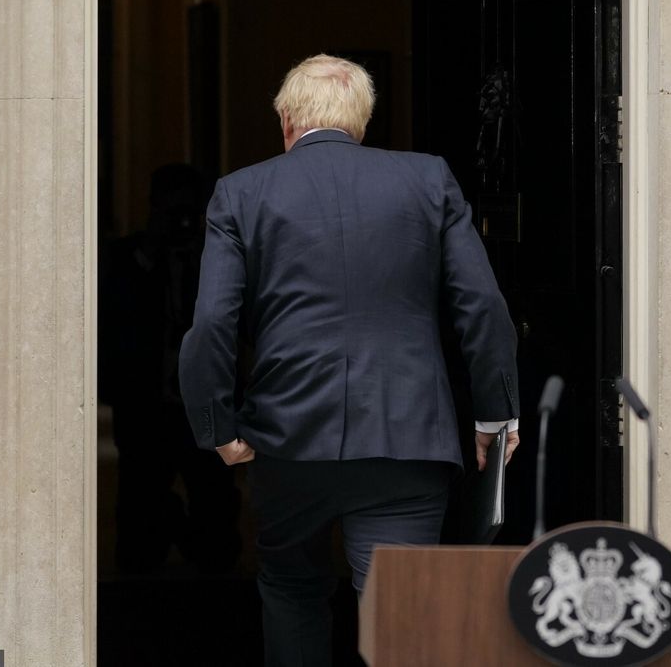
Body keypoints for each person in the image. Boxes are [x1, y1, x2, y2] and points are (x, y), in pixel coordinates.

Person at [179, 54, 520, 667]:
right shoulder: (428, 179)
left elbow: (211, 323)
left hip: (284, 442)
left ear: (286, 119)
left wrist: (219, 428)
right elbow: (483, 306)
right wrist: (494, 418)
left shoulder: (240, 192)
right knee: (403, 618)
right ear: (361, 121)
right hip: (407, 438)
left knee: (291, 595)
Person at [100, 163, 241, 574]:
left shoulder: (218, 259)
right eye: (172, 212)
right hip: (146, 405)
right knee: (140, 521)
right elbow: (116, 313)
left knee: (215, 518)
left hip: (205, 407)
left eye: (189, 213)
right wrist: (152, 250)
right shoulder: (129, 258)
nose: (182, 222)